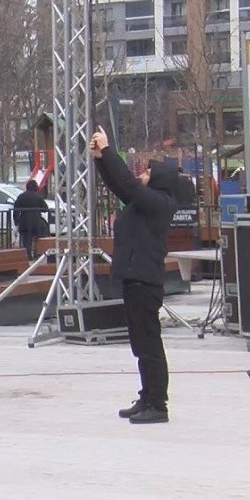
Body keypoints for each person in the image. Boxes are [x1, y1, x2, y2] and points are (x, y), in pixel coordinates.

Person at [90, 126, 179, 424]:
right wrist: (100, 160)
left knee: (150, 344)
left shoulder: (159, 204)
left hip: (145, 282)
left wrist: (108, 150)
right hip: (134, 280)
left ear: (159, 181)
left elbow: (129, 186)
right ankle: (147, 396)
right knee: (141, 345)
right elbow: (121, 187)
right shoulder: (143, 204)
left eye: (148, 173)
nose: (142, 175)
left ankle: (158, 404)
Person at [12, 180, 48, 260]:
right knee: (39, 238)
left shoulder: (21, 196)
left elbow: (16, 210)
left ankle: (28, 256)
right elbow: (45, 208)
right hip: (36, 222)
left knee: (26, 241)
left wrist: (16, 222)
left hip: (24, 222)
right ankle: (37, 254)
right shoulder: (38, 196)